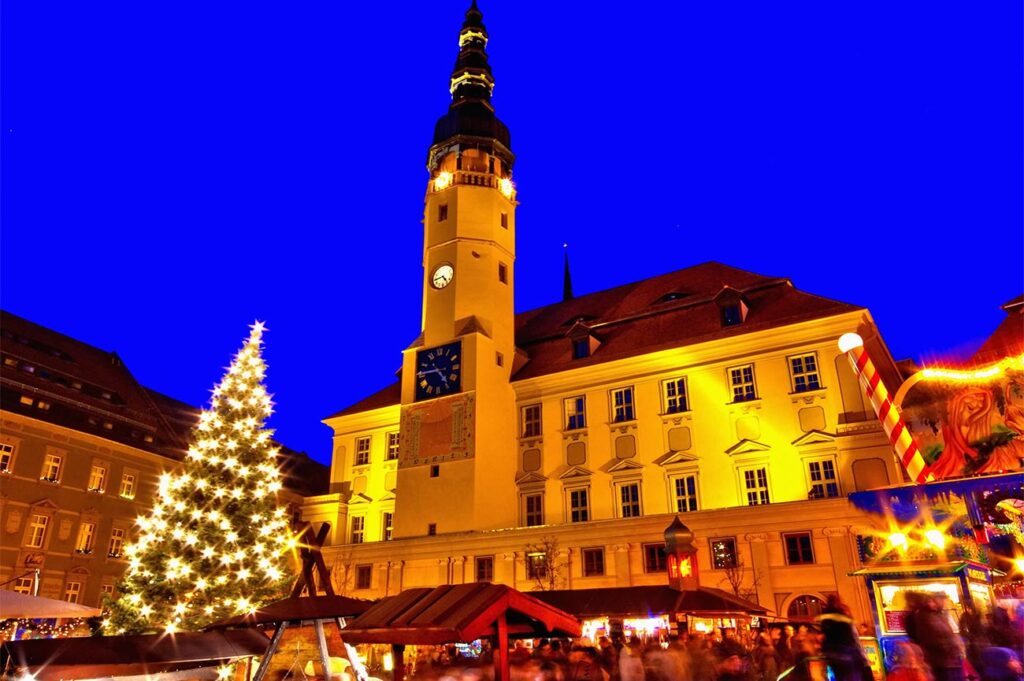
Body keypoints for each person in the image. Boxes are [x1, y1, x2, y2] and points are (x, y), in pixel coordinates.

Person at [906, 594, 966, 681]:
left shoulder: (939, 615)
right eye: (931, 601)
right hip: (940, 659)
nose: (933, 604)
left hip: (946, 658)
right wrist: (949, 647)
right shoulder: (925, 617)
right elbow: (935, 636)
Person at [817, 595, 870, 681]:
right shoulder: (845, 619)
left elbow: (825, 637)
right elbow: (853, 638)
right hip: (848, 654)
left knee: (840, 677)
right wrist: (863, 658)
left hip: (834, 655)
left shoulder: (826, 618)